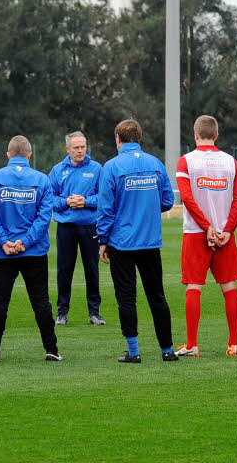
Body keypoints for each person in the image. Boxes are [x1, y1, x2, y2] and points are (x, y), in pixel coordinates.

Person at [97, 119, 177, 363]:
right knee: (157, 296)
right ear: (139, 138)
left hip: (122, 243)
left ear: (117, 138)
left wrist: (103, 240)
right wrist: (147, 210)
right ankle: (167, 350)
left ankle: (134, 352)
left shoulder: (111, 167)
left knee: (126, 297)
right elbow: (167, 200)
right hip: (150, 241)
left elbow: (106, 209)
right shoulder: (155, 163)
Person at [0, 135, 60, 362]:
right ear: (29, 154)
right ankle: (51, 350)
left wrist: (3, 241)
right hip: (33, 252)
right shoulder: (41, 180)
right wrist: (25, 242)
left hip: (3, 252)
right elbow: (44, 218)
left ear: (8, 154)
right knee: (41, 302)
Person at [174, 115, 237, 358]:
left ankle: (192, 344)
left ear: (195, 135)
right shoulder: (231, 162)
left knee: (194, 287)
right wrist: (227, 230)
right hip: (224, 234)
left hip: (196, 233)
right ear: (216, 136)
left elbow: (187, 198)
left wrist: (206, 227)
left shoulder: (186, 162)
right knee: (229, 287)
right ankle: (233, 344)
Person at [48, 130, 104, 326]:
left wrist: (86, 201)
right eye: (76, 147)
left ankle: (94, 313)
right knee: (64, 270)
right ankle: (62, 313)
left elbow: (104, 197)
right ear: (68, 149)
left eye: (83, 147)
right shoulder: (57, 170)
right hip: (66, 227)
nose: (80, 151)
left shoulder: (97, 169)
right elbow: (49, 199)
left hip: (90, 226)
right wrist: (66, 202)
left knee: (92, 269)